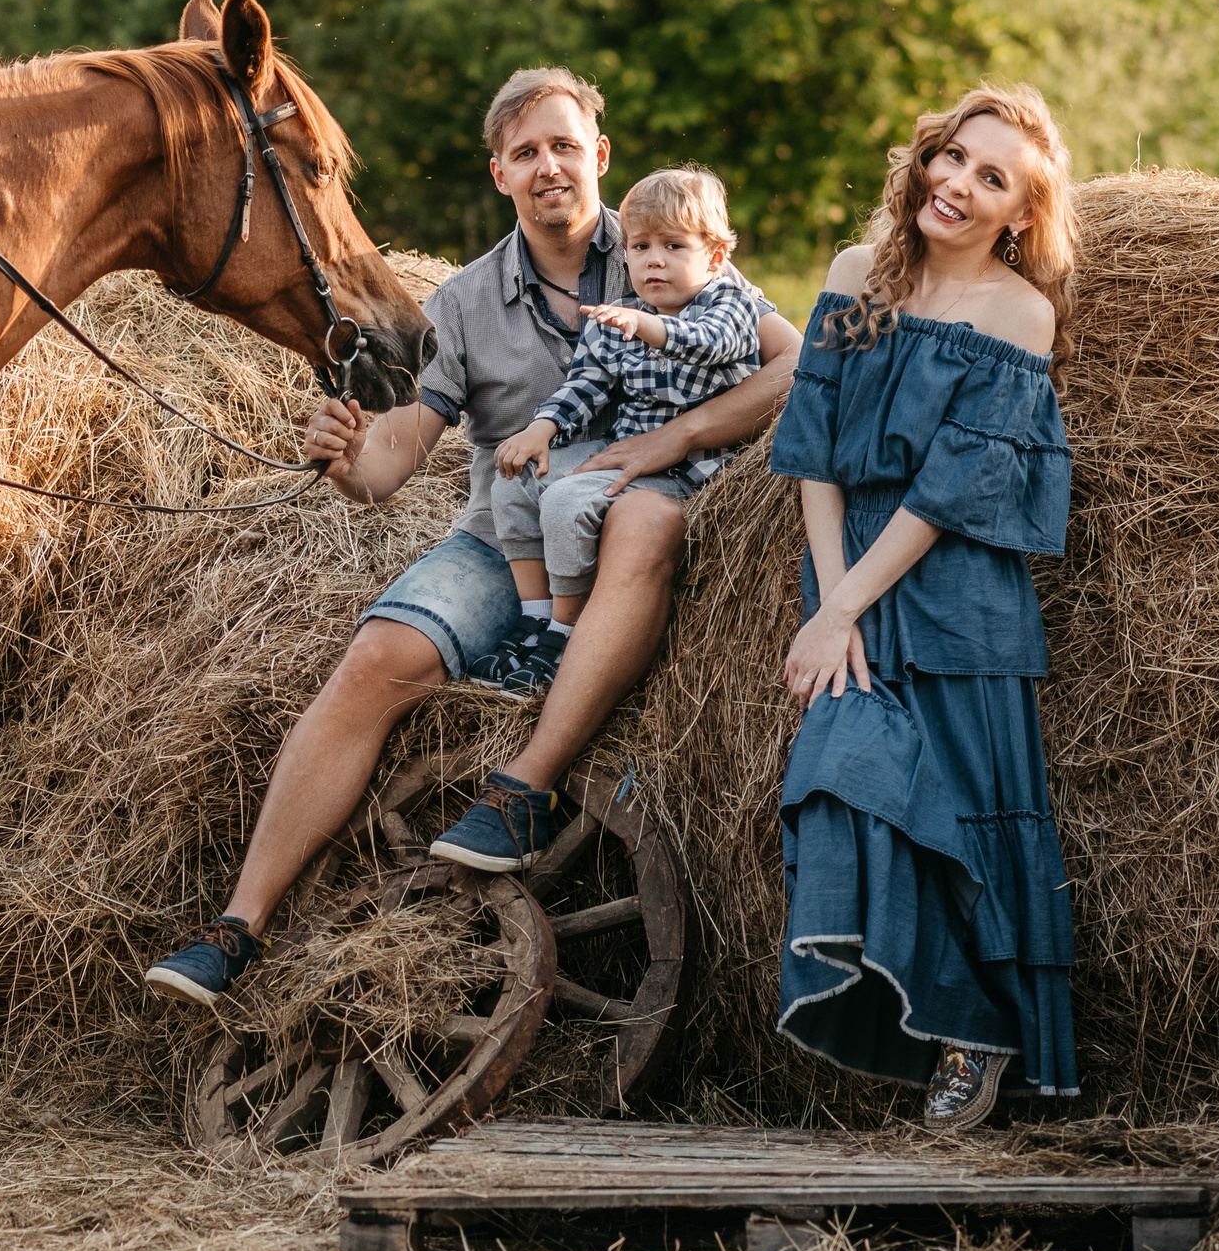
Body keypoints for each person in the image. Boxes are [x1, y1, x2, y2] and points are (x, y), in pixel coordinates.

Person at [144, 69, 801, 1006]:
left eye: (565, 146)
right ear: (499, 174)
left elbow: (796, 362)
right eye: (526, 153)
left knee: (647, 515)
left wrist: (679, 436)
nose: (549, 168)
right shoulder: (461, 303)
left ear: (600, 158)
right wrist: (346, 455)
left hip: (641, 507)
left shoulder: (669, 241)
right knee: (377, 655)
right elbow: (390, 467)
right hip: (510, 539)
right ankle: (236, 929)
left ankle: (521, 789)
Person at [768, 84, 1078, 1128]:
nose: (956, 183)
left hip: (951, 603)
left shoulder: (1017, 313)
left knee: (955, 819)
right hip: (846, 575)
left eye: (991, 177)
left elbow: (949, 490)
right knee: (843, 780)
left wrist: (845, 603)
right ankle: (943, 1018)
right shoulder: (861, 276)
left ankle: (977, 1034)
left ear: (1019, 215)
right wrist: (828, 601)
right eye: (952, 156)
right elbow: (813, 446)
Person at [478, 166, 767, 709]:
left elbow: (708, 343)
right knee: (513, 484)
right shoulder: (619, 317)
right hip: (626, 451)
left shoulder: (731, 306)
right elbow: (584, 387)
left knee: (565, 501)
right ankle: (534, 619)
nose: (654, 259)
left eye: (673, 245)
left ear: (714, 256)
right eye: (640, 246)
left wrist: (649, 329)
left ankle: (564, 634)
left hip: (689, 470)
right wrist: (541, 429)